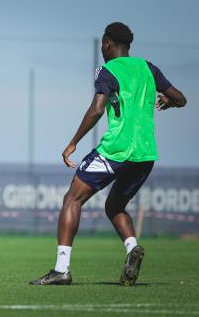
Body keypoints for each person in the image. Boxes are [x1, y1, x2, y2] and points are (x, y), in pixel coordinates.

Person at [29, 22, 187, 286]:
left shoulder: (107, 69)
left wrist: (73, 143)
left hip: (116, 150)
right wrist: (169, 102)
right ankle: (131, 249)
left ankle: (61, 270)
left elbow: (97, 109)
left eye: (104, 44)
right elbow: (181, 98)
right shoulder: (148, 68)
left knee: (72, 199)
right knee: (114, 206)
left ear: (107, 43)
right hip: (146, 154)